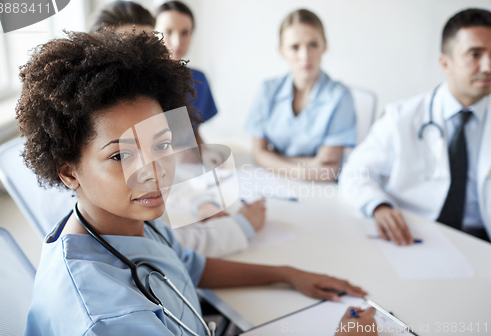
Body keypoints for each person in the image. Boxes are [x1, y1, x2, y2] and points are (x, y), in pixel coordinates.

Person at [21, 30, 376, 335]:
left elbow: (184, 264)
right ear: (68, 172)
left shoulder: (125, 219)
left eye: (161, 144)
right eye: (119, 156)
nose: (154, 170)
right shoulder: (107, 319)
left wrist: (288, 273)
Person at [89, 0, 266, 258]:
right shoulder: (101, 136)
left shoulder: (148, 105)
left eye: (148, 48)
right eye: (128, 52)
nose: (143, 63)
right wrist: (242, 226)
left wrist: (203, 204)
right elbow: (158, 248)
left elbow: (167, 169)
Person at [339, 8, 491, 245]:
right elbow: (354, 172)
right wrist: (379, 206)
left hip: (481, 242)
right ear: (446, 63)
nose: (487, 66)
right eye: (475, 54)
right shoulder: (401, 117)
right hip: (416, 233)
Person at [245, 9, 357, 182]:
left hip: (321, 192)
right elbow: (257, 152)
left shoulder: (340, 97)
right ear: (282, 51)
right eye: (294, 47)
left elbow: (327, 169)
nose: (305, 56)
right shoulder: (267, 90)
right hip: (273, 182)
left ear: (324, 45)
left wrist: (272, 156)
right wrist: (305, 169)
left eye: (313, 44)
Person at [154, 0, 217, 147]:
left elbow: (193, 133)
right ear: (152, 33)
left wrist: (206, 154)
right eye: (168, 32)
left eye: (185, 33)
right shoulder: (138, 79)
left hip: (187, 164)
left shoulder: (198, 80)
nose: (177, 42)